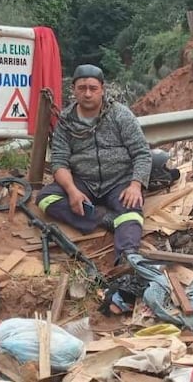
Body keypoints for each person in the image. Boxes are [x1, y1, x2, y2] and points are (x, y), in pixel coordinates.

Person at [36, 64, 152, 261]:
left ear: (102, 89)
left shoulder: (120, 115)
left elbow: (142, 152)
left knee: (131, 211)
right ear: (73, 90)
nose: (87, 94)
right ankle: (103, 218)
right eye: (82, 88)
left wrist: (135, 185)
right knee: (46, 199)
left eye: (93, 88)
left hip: (118, 180)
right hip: (84, 181)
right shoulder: (65, 121)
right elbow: (59, 162)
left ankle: (127, 256)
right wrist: (72, 191)